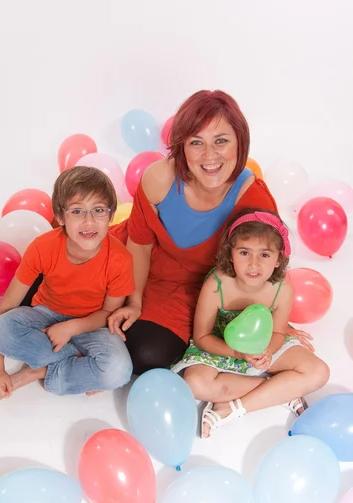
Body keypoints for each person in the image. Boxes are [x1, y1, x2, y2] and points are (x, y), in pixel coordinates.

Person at [107, 89, 313, 373]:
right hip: (135, 264)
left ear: (240, 143)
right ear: (181, 146)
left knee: (147, 355)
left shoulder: (253, 197)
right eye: (196, 142)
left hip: (189, 292)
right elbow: (139, 244)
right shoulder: (158, 178)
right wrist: (134, 301)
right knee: (56, 288)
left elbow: (266, 261)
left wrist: (277, 324)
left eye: (221, 141)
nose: (209, 155)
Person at [171, 208, 330, 438]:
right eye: (244, 253)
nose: (254, 264)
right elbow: (203, 337)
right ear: (230, 254)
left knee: (318, 372)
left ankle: (232, 407)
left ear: (278, 259)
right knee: (195, 385)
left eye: (264, 255)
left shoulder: (281, 289)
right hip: (222, 345)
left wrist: (268, 351)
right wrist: (236, 352)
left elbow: (277, 332)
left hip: (262, 344)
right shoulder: (218, 284)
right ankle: (282, 392)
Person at [0, 166, 134, 399]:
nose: (89, 221)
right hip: (45, 315)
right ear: (60, 216)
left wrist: (71, 328)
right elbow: (6, 308)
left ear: (111, 215)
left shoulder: (120, 259)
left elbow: (108, 312)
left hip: (92, 324)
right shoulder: (42, 247)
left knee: (119, 370)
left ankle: (38, 372)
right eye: (77, 211)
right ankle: (78, 364)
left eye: (98, 210)